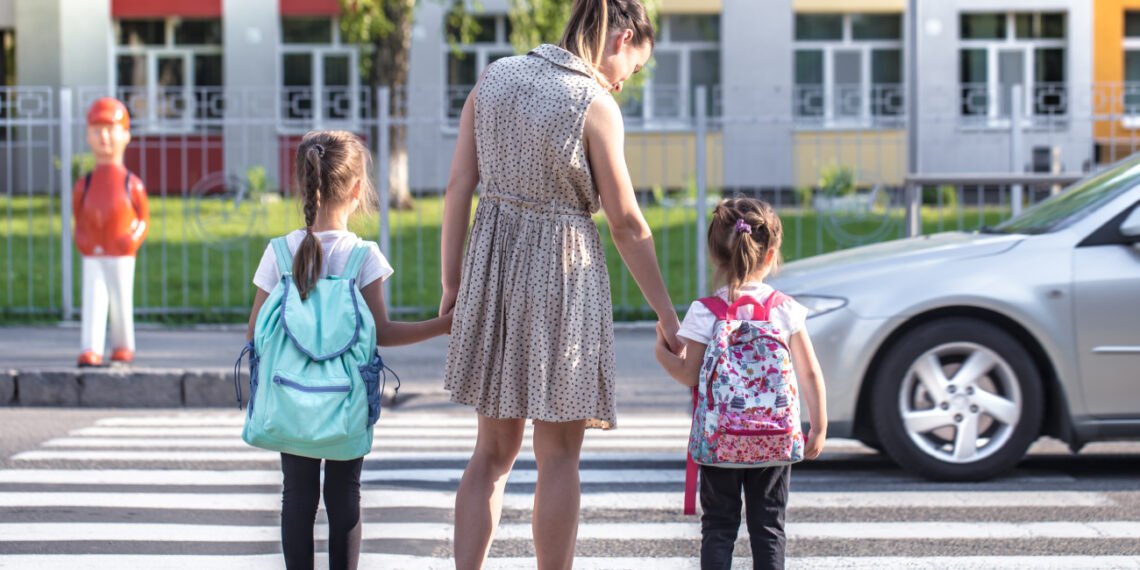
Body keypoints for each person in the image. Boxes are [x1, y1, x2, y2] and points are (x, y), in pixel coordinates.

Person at [438, 0, 682, 567]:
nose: (625, 83)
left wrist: (453, 284)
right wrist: (668, 315)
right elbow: (625, 221)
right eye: (634, 69)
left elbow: (457, 185)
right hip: (561, 280)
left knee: (490, 454)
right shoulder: (593, 102)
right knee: (559, 458)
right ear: (621, 39)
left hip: (491, 269)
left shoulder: (496, 76)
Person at [245, 130, 452, 570]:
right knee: (345, 495)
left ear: (304, 184)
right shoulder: (364, 257)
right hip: (345, 403)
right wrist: (444, 326)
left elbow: (254, 333)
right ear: (358, 190)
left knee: (296, 494)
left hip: (290, 401)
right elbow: (381, 333)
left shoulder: (279, 254)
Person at [654, 198, 828, 570]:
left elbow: (689, 374)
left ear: (715, 257)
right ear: (771, 255)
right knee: (769, 526)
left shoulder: (706, 312)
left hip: (722, 441)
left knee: (718, 526)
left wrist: (662, 353)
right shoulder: (784, 309)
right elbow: (810, 371)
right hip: (775, 438)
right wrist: (818, 426)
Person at [73, 97, 149, 366]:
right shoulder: (85, 183)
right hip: (94, 253)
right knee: (93, 299)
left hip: (121, 253)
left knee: (121, 301)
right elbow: (78, 216)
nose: (104, 137)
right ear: (88, 135)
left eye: (110, 129)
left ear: (125, 135)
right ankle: (90, 347)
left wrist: (132, 238)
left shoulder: (132, 184)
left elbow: (143, 218)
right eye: (97, 130)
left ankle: (123, 346)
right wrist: (82, 239)